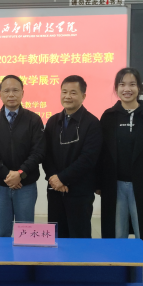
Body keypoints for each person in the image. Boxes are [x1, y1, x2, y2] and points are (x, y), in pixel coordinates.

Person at [96, 67, 143, 286]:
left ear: (139, 88)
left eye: (131, 84)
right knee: (116, 235)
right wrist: (98, 183)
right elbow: (100, 154)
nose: (126, 89)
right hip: (114, 187)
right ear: (116, 88)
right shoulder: (108, 117)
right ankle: (116, 279)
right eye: (122, 85)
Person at [0, 75, 45, 237]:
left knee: (26, 232)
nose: (11, 94)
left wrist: (20, 174)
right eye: (7, 91)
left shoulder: (34, 120)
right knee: (2, 232)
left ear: (22, 93)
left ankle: (25, 256)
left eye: (15, 90)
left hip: (26, 185)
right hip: (1, 185)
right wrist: (8, 175)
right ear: (0, 94)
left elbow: (38, 152)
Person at [43, 75, 102, 238]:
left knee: (79, 237)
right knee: (56, 237)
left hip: (80, 191)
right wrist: (54, 178)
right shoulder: (53, 121)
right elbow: (46, 154)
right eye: (64, 92)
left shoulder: (92, 123)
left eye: (73, 92)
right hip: (55, 190)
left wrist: (63, 178)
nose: (67, 96)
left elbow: (88, 158)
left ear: (83, 96)